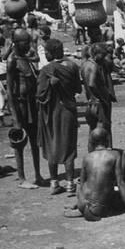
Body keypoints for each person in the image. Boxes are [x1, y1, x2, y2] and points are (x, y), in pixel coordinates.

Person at [36, 39, 82, 196]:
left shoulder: (45, 70)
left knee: (52, 145)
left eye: (46, 52)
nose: (45, 54)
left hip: (51, 113)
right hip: (68, 111)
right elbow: (78, 88)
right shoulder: (72, 66)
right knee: (69, 146)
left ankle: (54, 183)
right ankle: (70, 184)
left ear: (52, 52)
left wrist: (50, 85)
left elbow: (40, 95)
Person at [71, 128, 125, 221]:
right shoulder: (115, 155)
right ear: (107, 139)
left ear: (92, 141)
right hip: (98, 209)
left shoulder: (87, 157)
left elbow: (81, 183)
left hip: (82, 204)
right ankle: (93, 211)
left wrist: (79, 203)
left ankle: (83, 209)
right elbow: (120, 183)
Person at [6, 29, 45, 189]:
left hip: (31, 104)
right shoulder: (12, 60)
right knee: (19, 142)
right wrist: (15, 117)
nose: (28, 45)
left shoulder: (26, 57)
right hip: (21, 105)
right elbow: (9, 90)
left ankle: (38, 175)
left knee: (35, 141)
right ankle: (22, 178)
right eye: (25, 42)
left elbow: (35, 56)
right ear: (16, 43)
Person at [81, 43, 117, 152]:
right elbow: (92, 84)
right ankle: (108, 152)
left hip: (90, 102)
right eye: (103, 55)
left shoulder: (84, 64)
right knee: (104, 129)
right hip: (99, 103)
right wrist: (102, 98)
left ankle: (91, 155)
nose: (104, 58)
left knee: (92, 131)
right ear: (96, 54)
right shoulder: (94, 66)